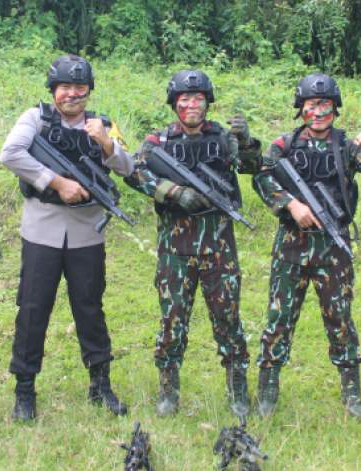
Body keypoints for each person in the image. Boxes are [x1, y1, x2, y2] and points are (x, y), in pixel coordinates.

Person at [252, 73, 361, 418]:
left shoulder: (346, 147)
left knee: (340, 317)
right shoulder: (284, 145)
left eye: (325, 105)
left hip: (333, 245)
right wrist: (290, 205)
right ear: (301, 109)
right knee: (280, 316)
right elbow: (261, 176)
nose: (318, 112)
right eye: (312, 105)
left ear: (335, 108)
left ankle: (352, 391)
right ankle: (267, 389)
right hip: (291, 244)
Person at [1, 55, 132, 422]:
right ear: (53, 90)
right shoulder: (36, 118)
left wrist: (107, 144)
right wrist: (56, 182)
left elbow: (128, 166)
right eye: (65, 88)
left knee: (90, 308)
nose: (72, 95)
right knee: (32, 309)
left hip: (86, 232)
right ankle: (24, 390)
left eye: (80, 88)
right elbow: (10, 153)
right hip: (42, 228)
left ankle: (100, 384)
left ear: (89, 90)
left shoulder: (102, 124)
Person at [124, 69, 261, 418]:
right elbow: (135, 173)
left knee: (227, 317)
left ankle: (238, 390)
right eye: (183, 99)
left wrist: (245, 141)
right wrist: (172, 191)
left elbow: (252, 167)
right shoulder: (158, 142)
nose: (190, 104)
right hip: (175, 248)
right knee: (172, 320)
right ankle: (168, 391)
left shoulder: (222, 138)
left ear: (207, 102)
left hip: (218, 246)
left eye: (197, 98)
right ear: (174, 104)